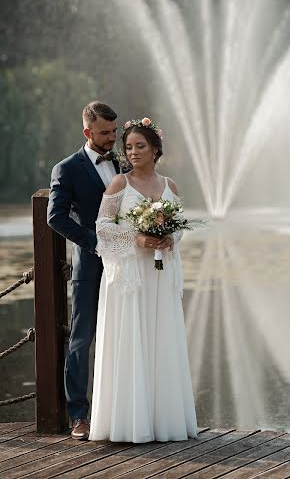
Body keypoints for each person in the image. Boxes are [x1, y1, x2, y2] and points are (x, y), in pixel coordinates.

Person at [89, 117, 198, 442]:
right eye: (129, 147)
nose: (133, 152)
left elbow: (178, 227)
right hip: (131, 280)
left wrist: (169, 238)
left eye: (140, 146)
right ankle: (129, 423)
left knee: (161, 339)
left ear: (155, 149)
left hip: (159, 276)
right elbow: (102, 227)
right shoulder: (119, 185)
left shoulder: (171, 186)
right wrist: (136, 238)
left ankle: (164, 422)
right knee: (133, 338)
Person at [47, 101, 119, 440]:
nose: (112, 138)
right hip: (90, 265)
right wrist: (94, 243)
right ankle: (79, 416)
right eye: (105, 133)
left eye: (114, 131)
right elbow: (55, 218)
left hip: (126, 265)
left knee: (123, 334)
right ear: (87, 132)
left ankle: (118, 410)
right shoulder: (66, 168)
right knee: (82, 340)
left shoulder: (122, 161)